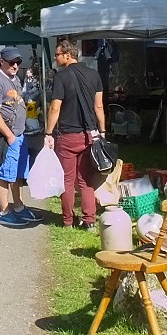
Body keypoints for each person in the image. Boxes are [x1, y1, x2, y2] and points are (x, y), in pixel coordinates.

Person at [43, 38, 106, 230]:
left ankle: (68, 221)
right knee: (86, 179)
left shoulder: (61, 78)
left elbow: (55, 108)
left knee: (67, 180)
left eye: (57, 54)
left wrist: (48, 132)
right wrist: (102, 130)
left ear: (67, 55)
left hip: (67, 136)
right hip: (89, 135)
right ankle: (89, 221)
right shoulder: (94, 75)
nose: (55, 58)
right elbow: (99, 106)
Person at [0, 47, 41, 227]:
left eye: (18, 62)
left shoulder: (15, 79)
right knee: (5, 174)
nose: (15, 66)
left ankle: (18, 206)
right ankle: (4, 212)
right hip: (7, 136)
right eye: (11, 62)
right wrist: (9, 135)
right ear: (2, 61)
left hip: (20, 134)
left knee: (17, 174)